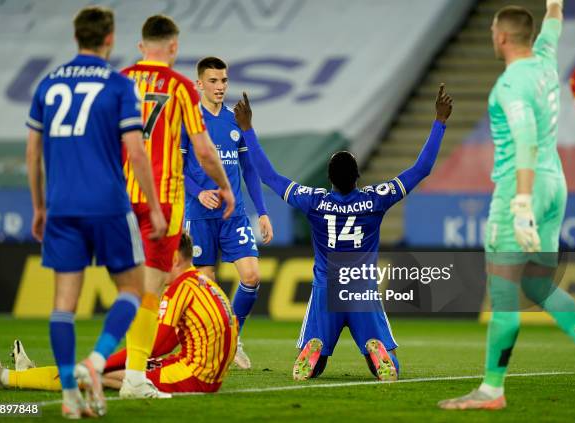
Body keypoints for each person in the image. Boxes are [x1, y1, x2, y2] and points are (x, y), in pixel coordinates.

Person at [232, 86, 453, 381]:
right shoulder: (376, 198)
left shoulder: (314, 200)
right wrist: (439, 121)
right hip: (361, 291)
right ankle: (377, 353)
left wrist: (247, 129)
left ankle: (313, 351)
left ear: (329, 178)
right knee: (390, 367)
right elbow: (422, 168)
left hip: (326, 292)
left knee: (315, 368)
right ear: (358, 176)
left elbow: (270, 176)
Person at [18, 6, 167, 418]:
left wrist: (39, 206)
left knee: (63, 304)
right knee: (133, 291)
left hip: (62, 207)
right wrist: (154, 207)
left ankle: (70, 395)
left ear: (76, 38)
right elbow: (136, 151)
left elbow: (32, 152)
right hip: (107, 205)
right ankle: (97, 362)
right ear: (109, 39)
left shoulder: (47, 84)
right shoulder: (118, 86)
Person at [439, 1, 575, 411]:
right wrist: (555, 4)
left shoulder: (510, 85)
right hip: (556, 185)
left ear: (500, 37)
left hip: (525, 187)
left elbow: (525, 139)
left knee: (504, 293)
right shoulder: (546, 59)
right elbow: (554, 22)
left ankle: (492, 389)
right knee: (537, 285)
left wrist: (520, 203)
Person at [120, 15, 235, 398]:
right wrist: (224, 186)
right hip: (162, 203)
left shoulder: (119, 80)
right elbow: (203, 150)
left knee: (124, 291)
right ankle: (127, 376)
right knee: (150, 294)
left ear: (141, 46)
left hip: (119, 200)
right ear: (174, 47)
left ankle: (90, 370)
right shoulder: (181, 87)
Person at [0, 234, 238, 395]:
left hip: (193, 377)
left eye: (157, 257)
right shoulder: (204, 282)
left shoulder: (181, 289)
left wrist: (105, 362)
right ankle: (31, 373)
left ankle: (1, 377)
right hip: (202, 372)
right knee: (107, 371)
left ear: (174, 258)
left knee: (88, 376)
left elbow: (156, 345)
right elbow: (166, 343)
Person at [181, 57, 273, 369]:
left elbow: (249, 170)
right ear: (199, 84)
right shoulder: (188, 120)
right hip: (200, 216)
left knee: (252, 276)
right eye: (213, 81)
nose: (220, 87)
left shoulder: (237, 120)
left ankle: (232, 338)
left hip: (234, 215)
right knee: (206, 286)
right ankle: (206, 346)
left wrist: (262, 211)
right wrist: (199, 191)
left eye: (223, 81)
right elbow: (177, 167)